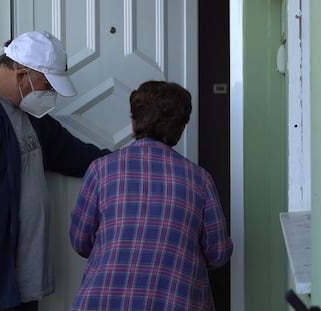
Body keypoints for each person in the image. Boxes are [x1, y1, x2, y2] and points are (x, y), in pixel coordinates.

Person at [0, 31, 110, 311]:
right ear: (22, 74)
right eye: (47, 84)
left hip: (19, 285)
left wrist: (128, 163)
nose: (50, 93)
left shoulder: (27, 113)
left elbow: (70, 153)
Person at [69, 80, 234, 310]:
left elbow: (80, 241)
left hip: (103, 301)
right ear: (180, 129)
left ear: (134, 121)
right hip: (178, 301)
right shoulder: (200, 180)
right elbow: (218, 252)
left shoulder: (101, 170)